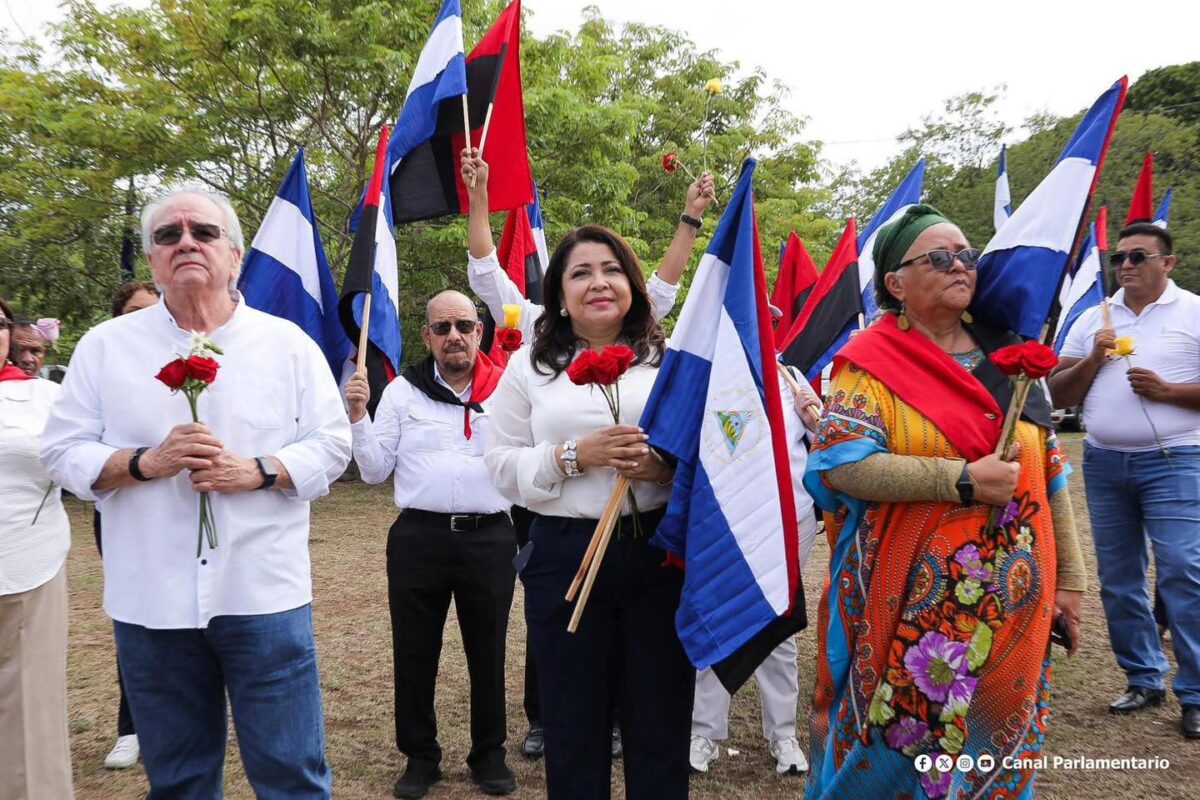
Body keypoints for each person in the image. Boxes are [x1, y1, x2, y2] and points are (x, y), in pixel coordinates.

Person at [40, 188, 352, 798]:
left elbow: (332, 444)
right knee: (180, 779)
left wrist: (258, 471)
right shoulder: (106, 347)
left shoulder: (287, 344)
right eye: (168, 234)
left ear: (234, 255)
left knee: (293, 775)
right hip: (151, 600)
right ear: (153, 261)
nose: (186, 241)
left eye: (203, 232)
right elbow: (61, 451)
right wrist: (143, 462)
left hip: (263, 593)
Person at [803, 205, 1087, 798]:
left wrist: (1071, 584)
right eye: (938, 257)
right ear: (895, 284)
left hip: (1013, 605)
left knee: (994, 742)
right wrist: (960, 480)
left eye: (966, 255)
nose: (959, 265)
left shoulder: (1010, 358)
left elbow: (1050, 474)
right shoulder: (870, 365)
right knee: (899, 745)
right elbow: (844, 464)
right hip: (908, 604)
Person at [463, 147, 716, 760]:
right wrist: (575, 455)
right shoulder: (530, 364)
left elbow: (709, 458)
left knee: (658, 725)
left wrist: (662, 469)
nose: (599, 282)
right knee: (573, 729)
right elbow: (500, 467)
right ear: (558, 293)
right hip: (564, 555)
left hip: (659, 556)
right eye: (580, 272)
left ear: (631, 284)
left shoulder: (671, 364)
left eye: (612, 269)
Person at [345, 289, 518, 799]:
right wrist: (357, 416)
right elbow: (375, 471)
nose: (454, 337)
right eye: (441, 328)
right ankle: (420, 757)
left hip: (489, 539)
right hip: (418, 538)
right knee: (415, 652)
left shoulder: (506, 389)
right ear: (427, 337)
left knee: (488, 652)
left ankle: (489, 755)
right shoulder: (402, 392)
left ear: (479, 332)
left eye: (463, 326)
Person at [1049, 221, 1200, 739]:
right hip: (1104, 461)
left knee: (1181, 568)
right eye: (1120, 258)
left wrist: (1168, 391)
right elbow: (1059, 394)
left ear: (1167, 263)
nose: (1127, 265)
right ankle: (1143, 677)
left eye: (1139, 256)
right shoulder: (1094, 317)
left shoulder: (1194, 312)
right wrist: (1094, 356)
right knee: (1119, 579)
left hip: (1177, 459)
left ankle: (1196, 693)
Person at [689, 369, 821, 777]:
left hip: (788, 519)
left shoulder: (791, 376)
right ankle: (703, 732)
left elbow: (830, 443)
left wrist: (815, 418)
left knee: (778, 626)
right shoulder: (710, 372)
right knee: (718, 619)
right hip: (727, 519)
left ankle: (783, 734)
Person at [0, 296, 74, 800]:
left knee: (26, 717)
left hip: (23, 567)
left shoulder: (42, 398)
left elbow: (80, 466)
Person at [92, 280, 162, 771]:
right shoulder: (100, 372)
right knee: (136, 616)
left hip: (186, 515)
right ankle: (131, 726)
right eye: (132, 312)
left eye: (151, 312)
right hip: (123, 513)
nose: (142, 321)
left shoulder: (186, 369)